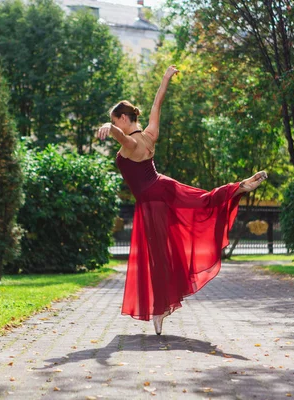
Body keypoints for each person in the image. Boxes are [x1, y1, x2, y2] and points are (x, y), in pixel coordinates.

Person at [97, 65, 267, 335]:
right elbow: (158, 102)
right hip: (163, 186)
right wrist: (165, 78)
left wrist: (110, 129)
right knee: (203, 201)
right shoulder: (150, 134)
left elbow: (122, 140)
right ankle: (239, 187)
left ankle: (161, 308)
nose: (115, 125)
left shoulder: (130, 141)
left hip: (151, 202)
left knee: (157, 257)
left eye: (115, 120)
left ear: (122, 118)